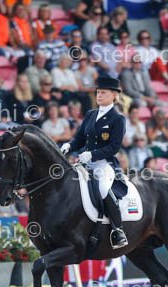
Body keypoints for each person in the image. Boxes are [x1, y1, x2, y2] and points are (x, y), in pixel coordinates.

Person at [60, 76, 128, 249]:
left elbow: (114, 147)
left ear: (114, 95)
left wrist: (92, 155)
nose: (99, 95)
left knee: (103, 188)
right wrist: (69, 145)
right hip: (85, 162)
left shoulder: (117, 119)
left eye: (103, 92)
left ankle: (118, 230)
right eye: (98, 92)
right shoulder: (90, 114)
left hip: (104, 164)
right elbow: (80, 139)